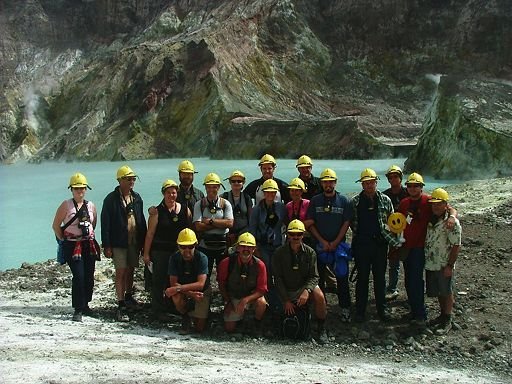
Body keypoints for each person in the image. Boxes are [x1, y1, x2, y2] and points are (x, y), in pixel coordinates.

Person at [397, 172, 457, 327]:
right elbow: (398, 222)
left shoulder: (429, 201)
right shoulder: (404, 203)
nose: (413, 189)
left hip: (420, 248)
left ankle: (420, 314)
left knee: (416, 281)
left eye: (416, 186)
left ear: (421, 187)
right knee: (409, 281)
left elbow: (448, 208)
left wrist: (452, 217)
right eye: (410, 186)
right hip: (406, 247)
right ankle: (414, 309)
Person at [350, 169, 403, 323]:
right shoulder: (355, 201)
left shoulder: (385, 200)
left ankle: (382, 309)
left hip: (380, 245)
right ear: (362, 185)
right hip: (362, 244)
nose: (369, 186)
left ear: (376, 182)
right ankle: (360, 310)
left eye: (371, 182)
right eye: (366, 183)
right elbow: (352, 223)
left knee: (380, 279)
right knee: (362, 279)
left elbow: (393, 223)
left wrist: (393, 243)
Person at [304, 168, 353, 322]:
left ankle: (345, 308)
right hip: (319, 246)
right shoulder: (315, 201)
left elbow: (346, 223)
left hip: (338, 246)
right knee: (319, 279)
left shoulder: (344, 201)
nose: (328, 184)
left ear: (335, 183)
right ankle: (321, 307)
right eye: (325, 182)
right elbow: (310, 224)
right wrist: (323, 242)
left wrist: (336, 242)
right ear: (322, 183)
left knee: (342, 277)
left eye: (331, 181)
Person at [101, 165, 147, 322]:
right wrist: (106, 245)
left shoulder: (137, 198)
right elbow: (105, 223)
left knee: (131, 269)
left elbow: (141, 220)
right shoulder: (110, 199)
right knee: (121, 271)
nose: (132, 181)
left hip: (134, 241)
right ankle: (121, 304)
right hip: (119, 242)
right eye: (129, 179)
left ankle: (128, 297)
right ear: (120, 180)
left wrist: (144, 241)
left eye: (133, 179)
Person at [52, 173, 99, 322]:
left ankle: (85, 304)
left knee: (89, 275)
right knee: (78, 276)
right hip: (73, 245)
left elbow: (94, 224)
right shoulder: (66, 205)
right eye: (77, 188)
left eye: (82, 188)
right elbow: (56, 225)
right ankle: (78, 308)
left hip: (88, 244)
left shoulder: (91, 205)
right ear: (71, 189)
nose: (80, 191)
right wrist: (65, 240)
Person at [143, 179, 192, 320]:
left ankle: (173, 306)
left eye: (174, 192)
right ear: (163, 194)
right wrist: (146, 254)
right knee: (158, 280)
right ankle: (157, 309)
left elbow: (189, 229)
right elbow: (150, 234)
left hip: (178, 251)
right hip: (160, 251)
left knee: (175, 280)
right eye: (169, 193)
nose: (172, 195)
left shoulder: (184, 209)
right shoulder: (156, 212)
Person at [273, 220, 328, 343]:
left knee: (319, 296)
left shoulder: (310, 253)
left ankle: (321, 328)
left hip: (303, 287)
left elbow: (314, 276)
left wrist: (307, 290)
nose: (295, 237)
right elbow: (277, 278)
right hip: (285, 289)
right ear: (287, 235)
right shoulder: (279, 253)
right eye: (292, 234)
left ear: (303, 235)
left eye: (299, 234)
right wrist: (286, 299)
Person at [425, 188, 461, 335]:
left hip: (444, 263)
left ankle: (448, 319)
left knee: (447, 291)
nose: (436, 207)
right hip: (431, 262)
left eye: (439, 204)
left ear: (445, 204)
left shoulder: (451, 223)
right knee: (439, 290)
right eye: (433, 204)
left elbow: (456, 245)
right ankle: (442, 315)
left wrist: (450, 265)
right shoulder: (431, 219)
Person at [217, 232, 268, 333]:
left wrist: (245, 300)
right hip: (233, 296)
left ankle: (256, 324)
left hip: (251, 297)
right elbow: (221, 284)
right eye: (243, 246)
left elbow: (262, 290)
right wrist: (228, 302)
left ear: (254, 249)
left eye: (249, 247)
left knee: (261, 303)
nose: (246, 249)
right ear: (238, 248)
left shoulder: (260, 265)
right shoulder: (226, 263)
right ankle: (239, 320)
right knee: (229, 329)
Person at [249, 178, 287, 311]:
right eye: (268, 192)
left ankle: (281, 299)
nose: (270, 195)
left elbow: (287, 224)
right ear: (263, 193)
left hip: (277, 245)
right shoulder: (256, 210)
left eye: (273, 192)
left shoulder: (281, 208)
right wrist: (255, 248)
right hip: (263, 246)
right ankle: (270, 301)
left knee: (279, 273)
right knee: (267, 272)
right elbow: (252, 230)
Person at [164, 228, 210, 333]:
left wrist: (179, 288)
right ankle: (185, 316)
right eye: (183, 247)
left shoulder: (202, 258)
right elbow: (173, 283)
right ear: (178, 246)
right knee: (175, 295)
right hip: (185, 291)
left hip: (201, 292)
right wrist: (190, 293)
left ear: (196, 245)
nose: (187, 250)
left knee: (200, 328)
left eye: (190, 247)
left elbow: (201, 284)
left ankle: (201, 314)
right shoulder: (174, 258)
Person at [193, 172, 234, 275]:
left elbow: (230, 223)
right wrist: (220, 224)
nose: (211, 190)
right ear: (205, 187)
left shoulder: (225, 204)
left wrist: (210, 221)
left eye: (214, 187)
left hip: (223, 246)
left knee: (224, 275)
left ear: (219, 187)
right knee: (204, 275)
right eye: (209, 187)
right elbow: (198, 227)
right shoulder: (199, 204)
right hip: (205, 247)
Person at [382, 165, 408, 300]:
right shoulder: (385, 195)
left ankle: (413, 290)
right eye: (390, 177)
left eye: (395, 177)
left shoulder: (408, 193)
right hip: (391, 233)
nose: (393, 179)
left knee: (410, 263)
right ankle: (392, 288)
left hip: (409, 233)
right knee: (393, 262)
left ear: (400, 178)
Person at [221, 170, 253, 247]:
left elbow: (250, 219)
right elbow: (220, 216)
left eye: (239, 181)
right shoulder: (224, 197)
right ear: (230, 182)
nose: (236, 183)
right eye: (233, 181)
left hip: (244, 234)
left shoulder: (246, 198)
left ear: (243, 183)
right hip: (228, 235)